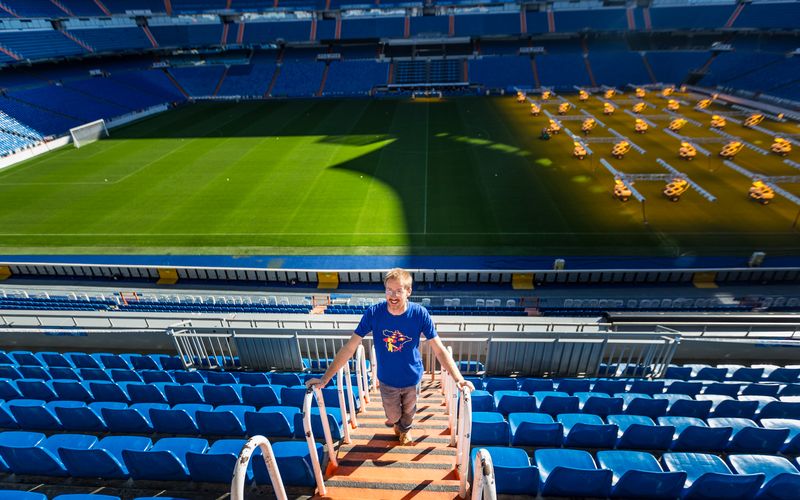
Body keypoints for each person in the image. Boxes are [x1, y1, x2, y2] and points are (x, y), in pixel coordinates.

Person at [306, 268, 474, 445]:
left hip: (412, 378)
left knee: (409, 413)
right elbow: (350, 347)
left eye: (399, 290)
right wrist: (325, 379)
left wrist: (459, 379)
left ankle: (405, 430)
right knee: (393, 415)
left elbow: (439, 349)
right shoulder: (374, 313)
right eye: (389, 290)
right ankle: (396, 424)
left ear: (408, 291)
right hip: (387, 380)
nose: (393, 295)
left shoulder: (419, 314)